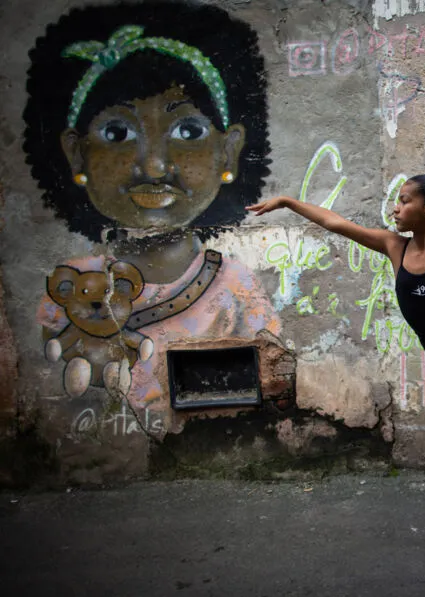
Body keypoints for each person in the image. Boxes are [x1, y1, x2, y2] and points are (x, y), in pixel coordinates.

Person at [248, 92, 425, 568]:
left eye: (404, 201)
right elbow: (334, 222)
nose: (395, 207)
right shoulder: (393, 248)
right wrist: (288, 201)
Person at [26, 3, 280, 403]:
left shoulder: (233, 285)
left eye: (188, 129)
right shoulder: (70, 284)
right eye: (116, 133)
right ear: (76, 154)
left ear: (229, 152)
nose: (154, 166)